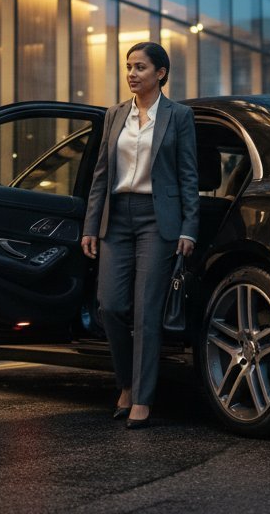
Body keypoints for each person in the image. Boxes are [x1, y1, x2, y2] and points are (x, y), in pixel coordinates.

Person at [81, 42, 200, 429]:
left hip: (157, 220)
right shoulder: (114, 115)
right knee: (110, 306)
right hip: (116, 219)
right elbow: (101, 175)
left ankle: (142, 398)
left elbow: (188, 177)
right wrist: (91, 226)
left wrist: (189, 228)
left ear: (160, 73)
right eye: (128, 67)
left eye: (140, 68)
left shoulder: (179, 116)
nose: (132, 74)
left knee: (147, 311)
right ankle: (127, 383)